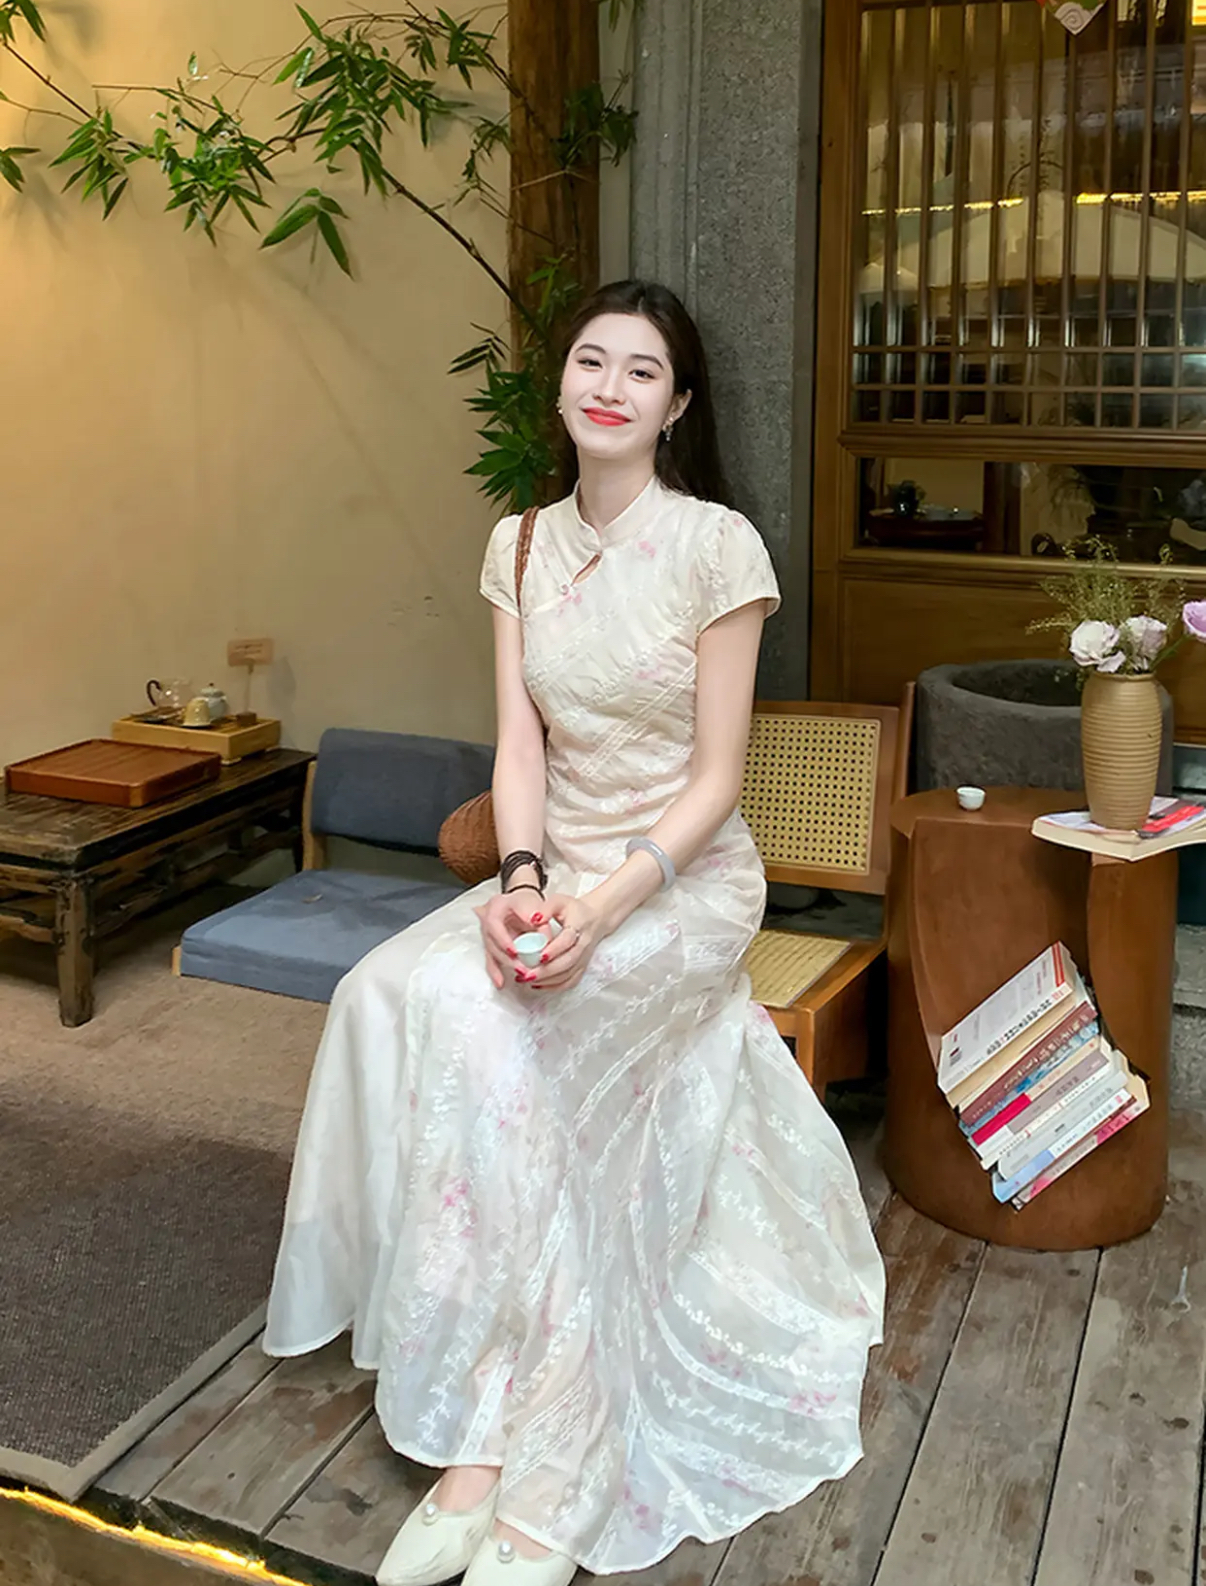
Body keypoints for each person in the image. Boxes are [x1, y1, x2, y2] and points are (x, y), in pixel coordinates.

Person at [263, 280, 885, 1586]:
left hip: (681, 882)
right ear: (561, 385)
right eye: (590, 361)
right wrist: (523, 882)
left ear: (677, 405)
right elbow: (520, 747)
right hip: (558, 867)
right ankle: (475, 1423)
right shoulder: (519, 545)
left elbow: (717, 778)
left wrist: (600, 910)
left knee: (515, 1038)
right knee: (406, 992)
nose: (609, 386)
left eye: (640, 370)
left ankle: (546, 1453)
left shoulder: (716, 546)